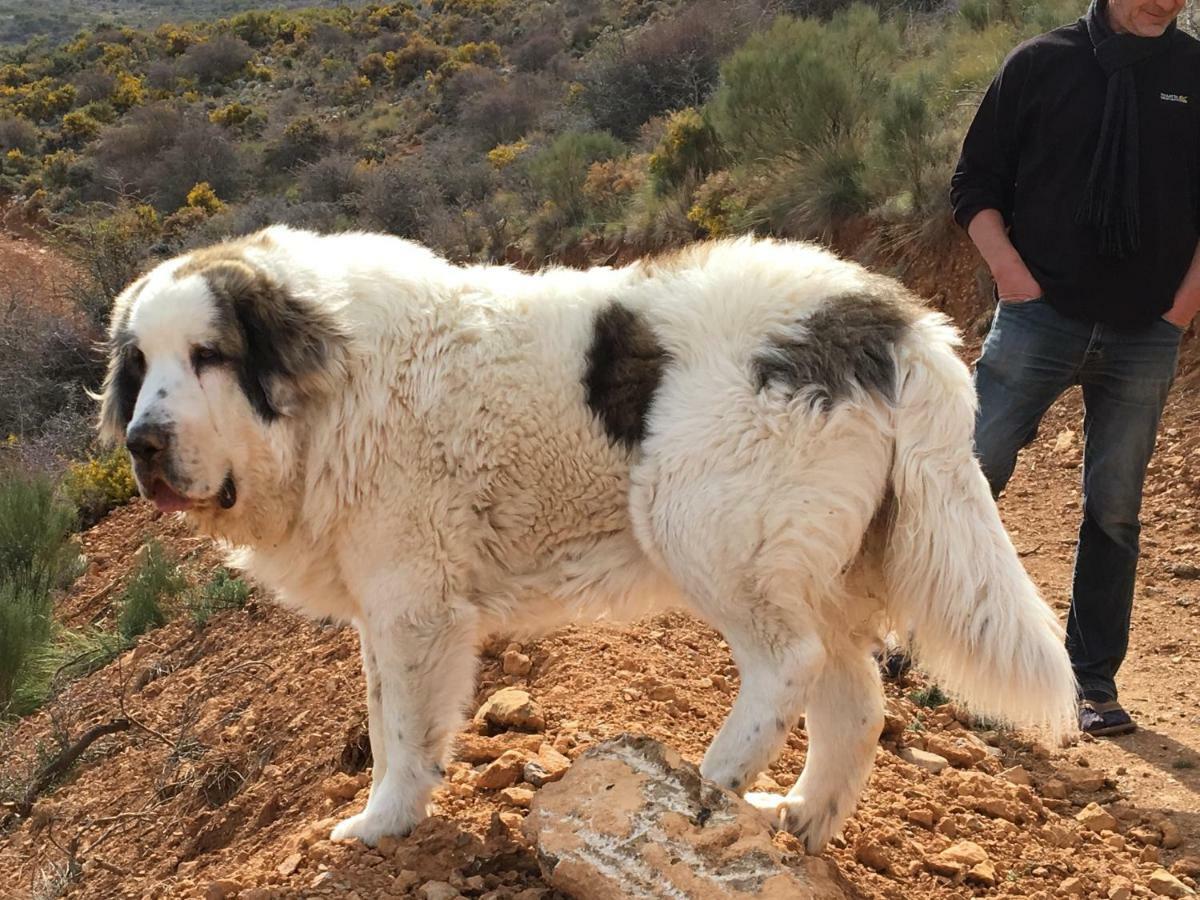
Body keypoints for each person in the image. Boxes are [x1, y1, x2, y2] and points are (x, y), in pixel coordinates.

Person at [950, 0, 1200, 735]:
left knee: (1114, 509)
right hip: (1039, 318)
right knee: (967, 470)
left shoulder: (1195, 74)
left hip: (1146, 336)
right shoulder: (1039, 63)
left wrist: (1178, 314)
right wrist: (1013, 280)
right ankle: (926, 638)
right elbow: (975, 185)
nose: (1168, 2)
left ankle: (1090, 681)